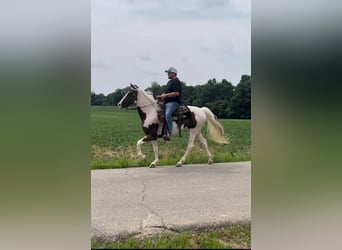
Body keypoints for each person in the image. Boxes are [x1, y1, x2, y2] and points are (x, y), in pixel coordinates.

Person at [156, 67, 182, 141]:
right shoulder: (170, 82)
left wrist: (165, 95)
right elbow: (167, 92)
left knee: (167, 114)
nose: (167, 74)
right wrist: (161, 96)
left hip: (174, 102)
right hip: (166, 102)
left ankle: (169, 133)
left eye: (169, 73)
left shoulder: (176, 81)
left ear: (173, 73)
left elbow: (177, 93)